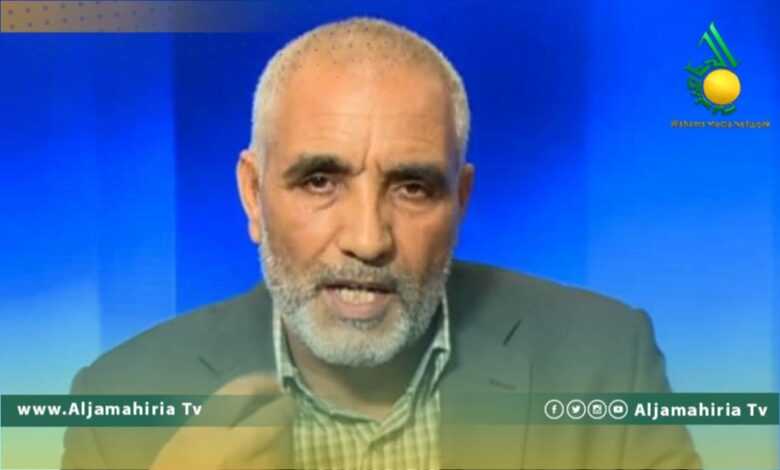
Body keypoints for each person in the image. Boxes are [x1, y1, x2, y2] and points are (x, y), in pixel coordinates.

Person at [62, 17, 701, 470]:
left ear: (460, 202)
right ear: (254, 195)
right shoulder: (117, 401)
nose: (368, 241)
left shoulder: (607, 362)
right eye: (320, 181)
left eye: (413, 187)